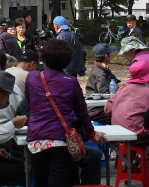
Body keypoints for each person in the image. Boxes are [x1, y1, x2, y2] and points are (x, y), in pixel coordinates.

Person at [26, 39, 106, 187]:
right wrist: (92, 133)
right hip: (59, 140)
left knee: (39, 181)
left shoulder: (31, 77)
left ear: (42, 58)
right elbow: (82, 112)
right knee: (58, 181)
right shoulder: (70, 81)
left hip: (36, 140)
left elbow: (29, 106)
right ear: (67, 60)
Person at [104, 61, 149, 146]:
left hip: (118, 133)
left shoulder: (122, 90)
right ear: (148, 78)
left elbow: (107, 110)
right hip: (138, 136)